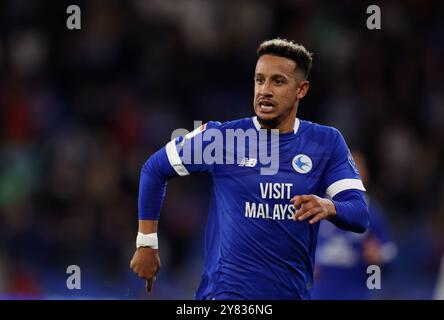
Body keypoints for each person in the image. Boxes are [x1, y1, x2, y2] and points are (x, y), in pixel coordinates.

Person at [130, 38, 370, 300]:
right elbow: (154, 169)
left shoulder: (326, 142)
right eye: (259, 80)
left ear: (301, 90)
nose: (265, 90)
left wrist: (329, 206)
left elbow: (359, 214)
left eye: (278, 81)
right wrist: (146, 242)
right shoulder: (220, 138)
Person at [311, 151, 397, 300]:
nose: (349, 175)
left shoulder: (372, 212)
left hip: (354, 290)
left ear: (366, 175)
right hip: (319, 290)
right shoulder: (317, 205)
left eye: (356, 170)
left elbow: (388, 251)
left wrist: (377, 257)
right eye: (344, 169)